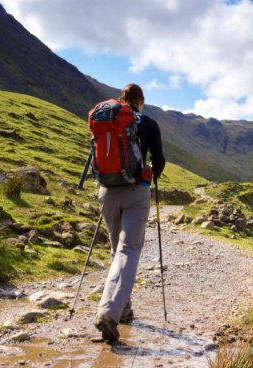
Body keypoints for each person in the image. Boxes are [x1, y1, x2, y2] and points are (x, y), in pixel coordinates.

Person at [94, 83, 165, 342]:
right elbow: (159, 162)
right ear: (140, 100)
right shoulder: (148, 123)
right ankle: (109, 313)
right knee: (129, 250)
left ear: (123, 99)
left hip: (106, 191)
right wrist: (151, 176)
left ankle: (123, 311)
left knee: (116, 251)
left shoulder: (107, 118)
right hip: (136, 192)